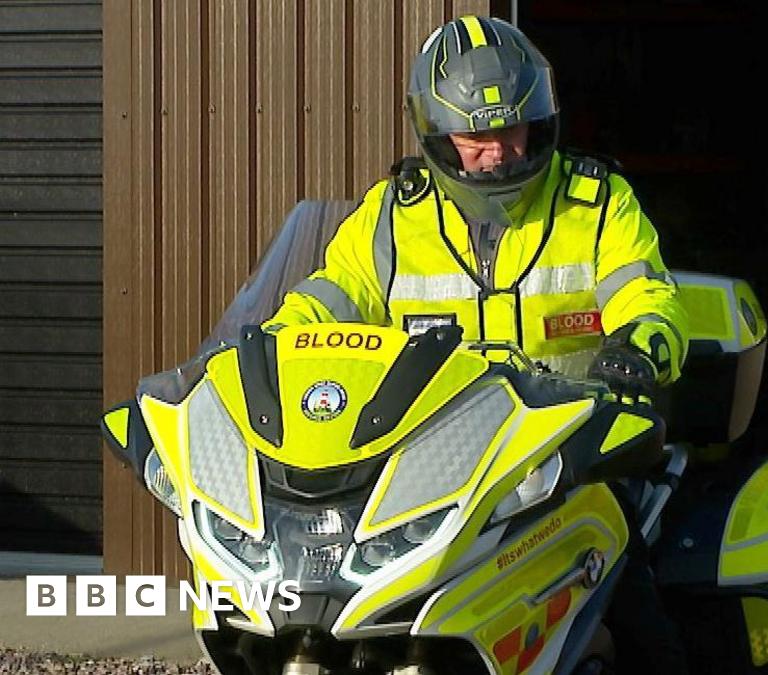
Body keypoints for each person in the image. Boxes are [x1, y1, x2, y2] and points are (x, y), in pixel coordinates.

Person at [264, 15, 690, 673]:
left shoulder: (596, 202)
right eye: (477, 136)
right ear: (437, 134)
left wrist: (640, 345)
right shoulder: (391, 217)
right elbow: (329, 297)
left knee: (626, 597)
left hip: (567, 456)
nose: (501, 151)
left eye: (513, 129)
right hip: (431, 466)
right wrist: (267, 353)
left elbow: (650, 294)